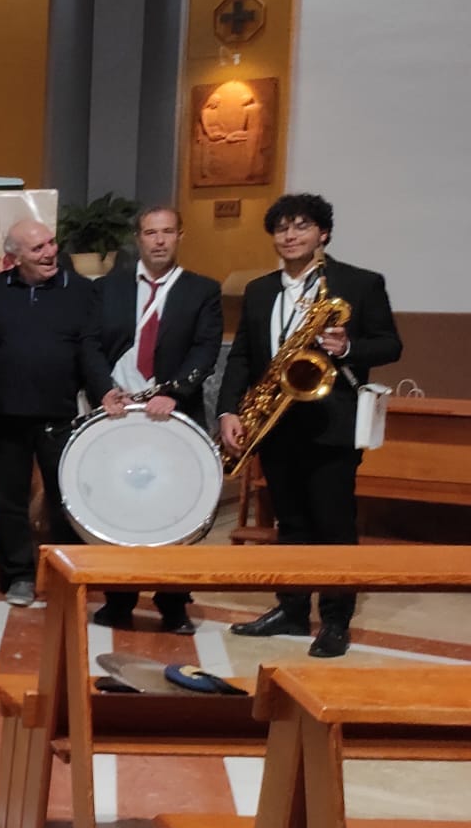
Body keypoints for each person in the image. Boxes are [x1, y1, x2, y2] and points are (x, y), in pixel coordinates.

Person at [218, 194, 400, 658]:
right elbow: (241, 357)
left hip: (331, 423)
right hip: (276, 423)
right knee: (291, 523)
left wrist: (345, 348)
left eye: (301, 226)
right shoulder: (260, 291)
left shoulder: (358, 283)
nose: (290, 235)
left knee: (334, 523)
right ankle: (293, 609)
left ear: (324, 233)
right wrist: (229, 411)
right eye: (281, 228)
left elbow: (389, 345)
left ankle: (336, 620)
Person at [91, 203, 222, 631]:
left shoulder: (202, 290)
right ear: (139, 238)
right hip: (119, 413)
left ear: (180, 236)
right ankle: (118, 599)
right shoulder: (107, 289)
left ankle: (173, 601)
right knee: (120, 506)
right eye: (151, 232)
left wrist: (174, 391)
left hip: (173, 416)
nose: (160, 240)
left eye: (168, 232)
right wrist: (103, 389)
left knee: (174, 510)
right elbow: (88, 345)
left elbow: (206, 348)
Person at [0, 220, 110, 608]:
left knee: (64, 499)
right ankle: (18, 575)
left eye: (51, 243)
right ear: (14, 257)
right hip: (3, 414)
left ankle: (65, 573)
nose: (50, 252)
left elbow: (90, 349)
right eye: (36, 249)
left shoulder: (82, 291)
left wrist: (104, 391)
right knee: (9, 501)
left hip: (61, 415)